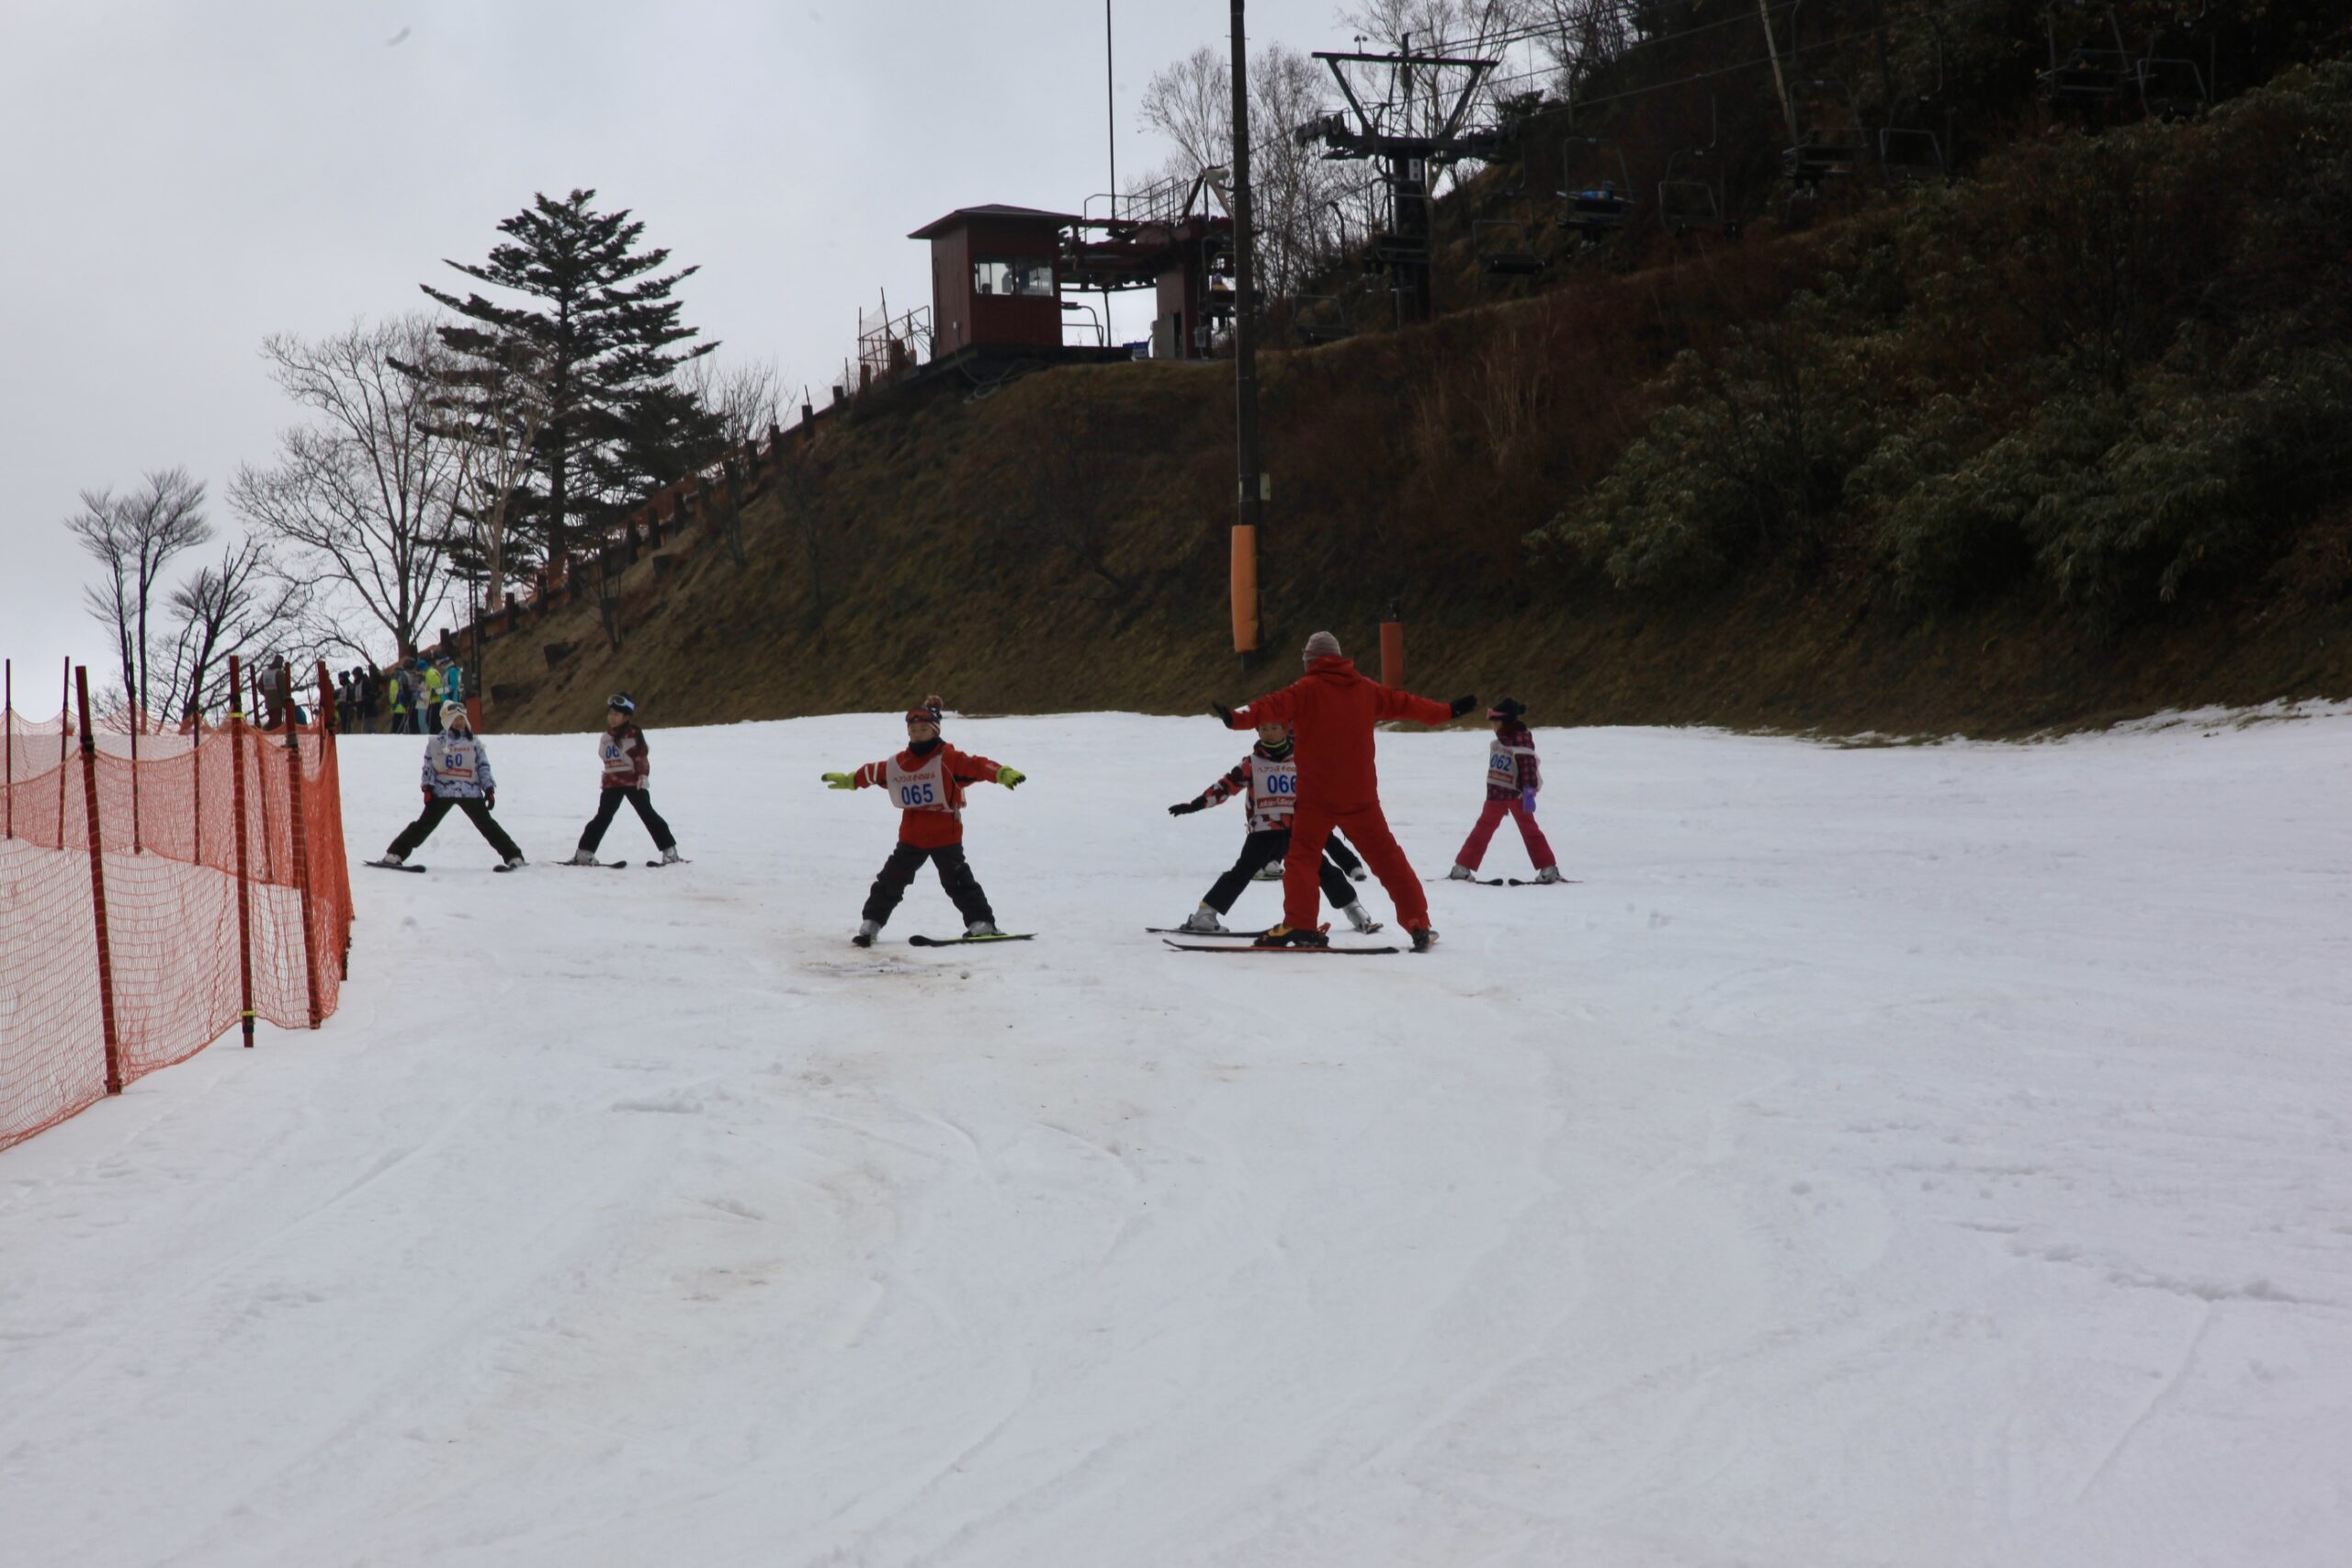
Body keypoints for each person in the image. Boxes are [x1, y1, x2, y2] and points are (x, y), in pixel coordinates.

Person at [1215, 630, 1472, 951]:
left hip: (1316, 798)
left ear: (1310, 661)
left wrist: (1236, 719)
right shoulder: (1366, 689)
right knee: (1388, 859)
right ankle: (1418, 922)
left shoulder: (1305, 689)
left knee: (1302, 859)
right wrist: (1448, 711)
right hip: (1360, 798)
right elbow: (1408, 704)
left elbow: (1271, 706)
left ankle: (1300, 924)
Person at [821, 696, 1024, 946]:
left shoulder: (949, 759)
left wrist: (1001, 773)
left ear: (935, 730)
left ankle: (982, 923)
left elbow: (977, 766)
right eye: (913, 730)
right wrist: (851, 780)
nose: (918, 735)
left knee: (958, 882)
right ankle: (871, 923)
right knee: (891, 880)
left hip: (945, 836)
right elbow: (875, 772)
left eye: (924, 730)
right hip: (912, 836)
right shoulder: (900, 763)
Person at [1170, 719, 1381, 934]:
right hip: (1264, 832)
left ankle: (1355, 911)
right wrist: (1195, 805)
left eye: (1274, 728)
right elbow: (1225, 787)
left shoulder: (1303, 761)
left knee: (1324, 870)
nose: (1268, 733)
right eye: (1263, 729)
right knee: (1241, 873)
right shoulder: (1251, 763)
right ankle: (1204, 915)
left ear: (1285, 730)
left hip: (1298, 831)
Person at [373, 702, 526, 870]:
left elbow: (483, 766)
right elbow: (429, 766)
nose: (459, 723)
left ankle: (514, 856)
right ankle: (394, 854)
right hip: (442, 792)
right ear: (447, 722)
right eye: (455, 719)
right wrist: (427, 787)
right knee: (423, 825)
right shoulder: (437, 743)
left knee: (487, 825)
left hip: (470, 792)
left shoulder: (474, 742)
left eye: (462, 719)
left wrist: (488, 788)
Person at [561, 693, 683, 865]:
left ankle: (670, 852)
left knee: (648, 815)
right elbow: (603, 756)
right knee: (602, 817)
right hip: (612, 783)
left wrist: (643, 775)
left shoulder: (634, 734)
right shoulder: (606, 737)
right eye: (610, 713)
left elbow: (641, 756)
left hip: (633, 783)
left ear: (626, 717)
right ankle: (584, 853)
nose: (612, 717)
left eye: (616, 714)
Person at [1449, 697, 1561, 883]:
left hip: (1517, 796)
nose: (1492, 726)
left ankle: (1548, 868)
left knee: (1530, 831)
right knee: (1482, 830)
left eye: (1494, 722)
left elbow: (1528, 767)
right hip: (1495, 797)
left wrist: (1529, 792)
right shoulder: (1499, 742)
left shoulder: (1521, 740)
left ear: (1503, 722)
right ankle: (1462, 867)